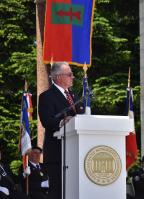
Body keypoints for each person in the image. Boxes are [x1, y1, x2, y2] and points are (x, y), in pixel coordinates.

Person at [38, 62, 84, 199]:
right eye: (69, 74)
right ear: (58, 77)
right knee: (58, 191)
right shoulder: (47, 96)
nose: (73, 77)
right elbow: (46, 121)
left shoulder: (74, 96)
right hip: (57, 152)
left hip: (75, 153)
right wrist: (62, 122)